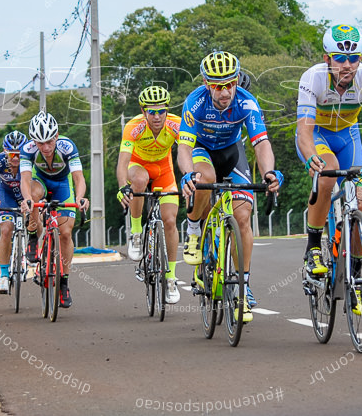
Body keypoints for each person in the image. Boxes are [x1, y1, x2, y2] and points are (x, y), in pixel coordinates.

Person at [295, 23, 362, 314]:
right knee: (328, 172)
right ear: (327, 57)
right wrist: (309, 158)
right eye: (339, 58)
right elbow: (304, 132)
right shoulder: (313, 79)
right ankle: (314, 247)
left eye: (353, 58)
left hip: (348, 136)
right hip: (316, 136)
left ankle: (356, 274)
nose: (347, 65)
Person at [177, 51, 282, 323]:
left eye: (230, 83)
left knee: (243, 216)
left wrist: (269, 172)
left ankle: (243, 287)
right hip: (202, 151)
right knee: (205, 177)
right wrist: (188, 174)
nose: (225, 91)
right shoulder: (195, 102)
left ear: (237, 80)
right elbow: (185, 148)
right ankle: (193, 229)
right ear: (206, 82)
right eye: (217, 85)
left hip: (232, 152)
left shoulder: (247, 103)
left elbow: (261, 143)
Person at [116, 85, 183, 304]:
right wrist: (121, 186)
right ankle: (136, 233)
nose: (157, 116)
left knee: (170, 221)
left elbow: (187, 152)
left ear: (167, 110)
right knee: (138, 180)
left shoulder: (176, 125)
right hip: (138, 166)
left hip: (164, 170)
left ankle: (171, 277)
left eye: (161, 111)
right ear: (143, 111)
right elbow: (123, 161)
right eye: (151, 111)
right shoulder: (134, 127)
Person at [19, 111, 89, 309]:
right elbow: (24, 179)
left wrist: (80, 197)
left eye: (49, 141)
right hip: (39, 181)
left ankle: (64, 282)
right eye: (40, 143)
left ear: (56, 136)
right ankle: (33, 236)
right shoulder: (28, 149)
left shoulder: (68, 147)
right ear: (34, 141)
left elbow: (78, 178)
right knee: (32, 196)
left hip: (62, 186)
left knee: (65, 233)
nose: (46, 147)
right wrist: (26, 200)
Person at [0, 130, 37, 294]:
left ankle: (34, 246)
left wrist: (29, 201)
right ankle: (4, 275)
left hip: (25, 193)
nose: (15, 158)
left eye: (19, 154)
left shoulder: (31, 160)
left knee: (36, 221)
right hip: (6, 195)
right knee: (6, 229)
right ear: (5, 152)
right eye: (12, 154)